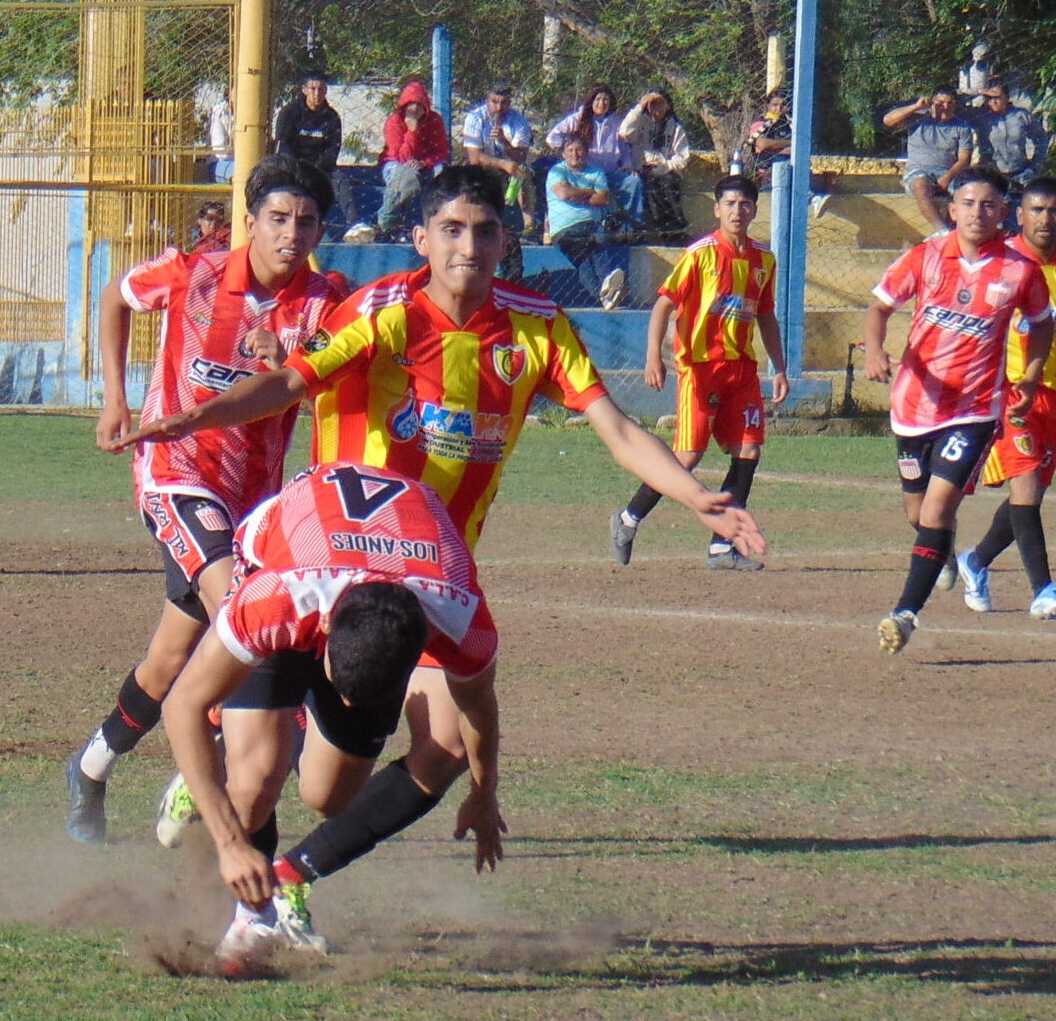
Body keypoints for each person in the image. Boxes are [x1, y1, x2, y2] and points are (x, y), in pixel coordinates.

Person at [122, 164, 764, 945]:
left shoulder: (536, 327)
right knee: (256, 779)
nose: (470, 246)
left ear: (507, 240)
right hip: (324, 565)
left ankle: (293, 872)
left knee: (384, 771)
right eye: (452, 230)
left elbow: (618, 428)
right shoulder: (384, 313)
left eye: (486, 230)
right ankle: (246, 896)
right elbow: (290, 382)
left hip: (422, 585)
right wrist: (195, 420)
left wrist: (698, 498)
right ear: (420, 239)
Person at [67, 157, 347, 844]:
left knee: (172, 657)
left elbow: (313, 372)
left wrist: (282, 353)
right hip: (177, 475)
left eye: (307, 222)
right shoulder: (192, 273)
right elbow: (113, 298)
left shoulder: (326, 300)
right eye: (278, 219)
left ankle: (91, 768)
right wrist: (115, 397)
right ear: (249, 223)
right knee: (248, 624)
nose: (292, 233)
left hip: (255, 502)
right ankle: (216, 776)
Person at [161, 462, 501, 975]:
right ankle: (252, 917)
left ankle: (250, 765)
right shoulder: (274, 599)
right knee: (254, 785)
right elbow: (180, 704)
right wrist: (230, 845)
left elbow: (478, 706)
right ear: (321, 629)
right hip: (288, 551)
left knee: (330, 797)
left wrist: (484, 789)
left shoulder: (458, 615)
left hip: (401, 564)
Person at [861, 165, 1055, 654]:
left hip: (972, 410)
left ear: (1002, 212)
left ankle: (905, 613)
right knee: (918, 513)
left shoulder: (1019, 270)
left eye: (988, 204)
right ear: (952, 209)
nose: (977, 212)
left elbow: (1042, 324)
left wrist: (1029, 377)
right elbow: (879, 307)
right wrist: (874, 350)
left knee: (937, 506)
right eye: (968, 203)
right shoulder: (926, 257)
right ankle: (942, 553)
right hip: (912, 404)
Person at [611, 173, 787, 571]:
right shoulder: (699, 255)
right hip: (700, 368)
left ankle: (723, 547)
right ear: (717, 210)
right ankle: (627, 519)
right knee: (687, 457)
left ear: (755, 210)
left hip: (741, 368)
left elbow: (765, 314)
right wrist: (653, 355)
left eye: (744, 204)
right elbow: (663, 305)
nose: (737, 211)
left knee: (749, 451)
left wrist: (779, 367)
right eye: (729, 204)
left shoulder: (765, 260)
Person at [951, 177, 1056, 620]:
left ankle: (975, 561)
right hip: (1006, 394)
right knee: (1025, 487)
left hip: (1053, 396)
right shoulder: (1000, 262)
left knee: (1030, 497)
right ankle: (1043, 590)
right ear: (1018, 215)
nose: (1045, 219)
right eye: (1036, 210)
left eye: (1054, 211)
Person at [543, 132, 630, 308]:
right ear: (563, 153)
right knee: (591, 250)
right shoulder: (557, 171)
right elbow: (563, 193)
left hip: (594, 225)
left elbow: (604, 198)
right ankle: (607, 290)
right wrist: (590, 192)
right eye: (570, 150)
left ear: (586, 151)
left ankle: (605, 295)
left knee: (592, 251)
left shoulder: (596, 172)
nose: (575, 154)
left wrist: (577, 193)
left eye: (579, 149)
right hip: (566, 229)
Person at [544, 84, 644, 230]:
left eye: (605, 100)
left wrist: (627, 165)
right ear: (591, 101)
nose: (601, 103)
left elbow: (624, 148)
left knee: (633, 181)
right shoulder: (578, 119)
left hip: (611, 171)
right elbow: (552, 137)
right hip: (587, 173)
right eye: (597, 99)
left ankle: (632, 228)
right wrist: (569, 152)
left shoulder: (617, 122)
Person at [883, 87, 980, 231]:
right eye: (940, 103)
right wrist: (916, 106)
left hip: (948, 172)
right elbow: (888, 120)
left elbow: (964, 159)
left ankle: (966, 229)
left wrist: (948, 177)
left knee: (967, 192)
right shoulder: (918, 119)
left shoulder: (961, 126)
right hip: (919, 171)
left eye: (950, 103)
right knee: (920, 186)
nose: (945, 107)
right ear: (933, 103)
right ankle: (942, 231)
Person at [371, 79, 450, 242]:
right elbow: (402, 156)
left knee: (443, 174)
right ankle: (386, 221)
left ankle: (439, 222)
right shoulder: (394, 122)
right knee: (407, 179)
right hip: (396, 162)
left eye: (418, 104)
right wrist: (412, 131)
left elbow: (442, 152)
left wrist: (425, 162)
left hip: (426, 163)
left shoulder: (435, 121)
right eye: (410, 104)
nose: (414, 109)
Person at [460, 82, 537, 244]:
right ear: (488, 100)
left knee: (525, 173)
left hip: (511, 168)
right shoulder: (475, 118)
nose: (499, 107)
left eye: (503, 103)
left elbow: (521, 156)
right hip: (482, 166)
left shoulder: (518, 120)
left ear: (509, 103)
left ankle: (528, 229)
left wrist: (504, 142)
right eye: (495, 102)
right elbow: (475, 157)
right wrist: (502, 164)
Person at [617, 90, 693, 240]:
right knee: (650, 189)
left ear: (668, 105)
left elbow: (683, 157)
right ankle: (664, 231)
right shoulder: (640, 124)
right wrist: (640, 106)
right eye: (653, 103)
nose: (657, 107)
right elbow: (624, 133)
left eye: (661, 103)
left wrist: (665, 167)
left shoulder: (675, 128)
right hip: (642, 169)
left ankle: (676, 229)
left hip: (666, 170)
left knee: (667, 185)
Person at [971, 78, 1048, 196]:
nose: (993, 102)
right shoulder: (980, 116)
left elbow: (1041, 138)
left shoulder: (1021, 115)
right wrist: (978, 92)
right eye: (989, 98)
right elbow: (956, 108)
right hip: (992, 176)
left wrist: (1035, 166)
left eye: (997, 97)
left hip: (1021, 175)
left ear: (1006, 97)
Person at [271, 74, 343, 177]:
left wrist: (317, 168)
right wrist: (296, 167)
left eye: (321, 89)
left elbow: (332, 149)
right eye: (313, 89)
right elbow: (284, 145)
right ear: (304, 90)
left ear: (326, 91)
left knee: (340, 180)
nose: (317, 93)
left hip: (320, 169)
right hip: (292, 167)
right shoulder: (289, 113)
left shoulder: (332, 117)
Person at [205, 93, 234, 184]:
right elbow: (220, 153)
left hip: (236, 162)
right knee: (244, 171)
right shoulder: (220, 112)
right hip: (219, 163)